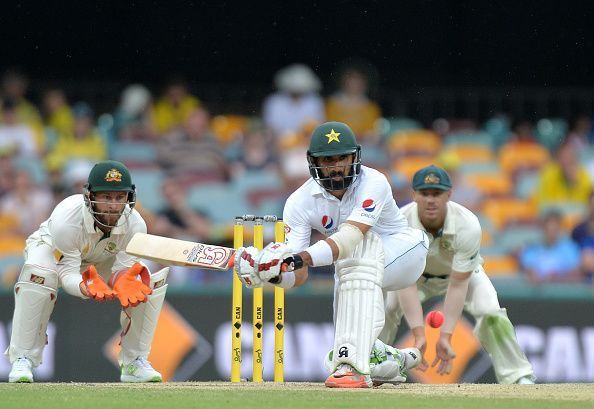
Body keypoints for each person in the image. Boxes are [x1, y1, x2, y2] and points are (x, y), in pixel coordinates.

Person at [234, 121, 429, 388]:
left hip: (407, 252)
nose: (336, 166)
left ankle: (353, 366)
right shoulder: (299, 202)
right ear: (314, 162)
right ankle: (385, 359)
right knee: (347, 269)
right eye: (328, 160)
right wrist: (273, 273)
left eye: (342, 158)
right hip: (356, 268)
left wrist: (296, 258)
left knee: (356, 251)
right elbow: (299, 276)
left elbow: (349, 238)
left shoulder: (373, 182)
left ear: (354, 158)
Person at [5, 160, 169, 383]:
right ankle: (22, 357)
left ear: (129, 198)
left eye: (119, 197)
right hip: (52, 250)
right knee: (39, 276)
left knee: (146, 281)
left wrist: (123, 279)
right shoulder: (67, 221)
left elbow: (123, 268)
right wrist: (85, 286)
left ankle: (134, 363)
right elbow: (67, 273)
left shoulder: (136, 225)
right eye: (106, 197)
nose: (113, 205)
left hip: (102, 258)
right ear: (89, 196)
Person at [379, 165, 535, 384]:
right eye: (424, 193)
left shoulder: (467, 224)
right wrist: (418, 334)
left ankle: (518, 376)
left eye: (436, 194)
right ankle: (372, 366)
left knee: (491, 313)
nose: (430, 200)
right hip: (415, 277)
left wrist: (446, 336)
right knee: (384, 307)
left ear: (449, 195)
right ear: (414, 195)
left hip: (462, 276)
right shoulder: (400, 224)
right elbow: (406, 283)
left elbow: (458, 284)